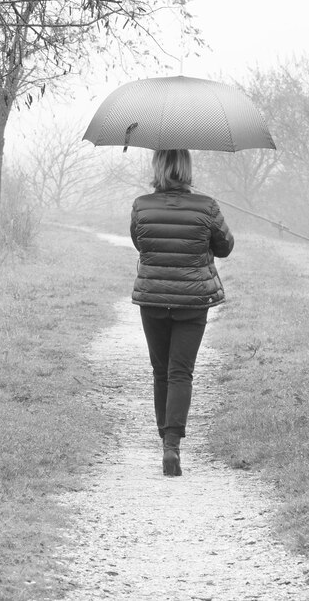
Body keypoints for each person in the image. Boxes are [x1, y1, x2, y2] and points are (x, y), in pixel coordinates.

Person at [130, 149, 234, 477]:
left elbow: (141, 243)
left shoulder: (141, 206)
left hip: (153, 300)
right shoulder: (206, 206)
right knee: (181, 372)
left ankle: (165, 443)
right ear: (187, 169)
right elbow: (225, 247)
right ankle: (172, 446)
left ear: (157, 167)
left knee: (161, 372)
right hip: (193, 301)